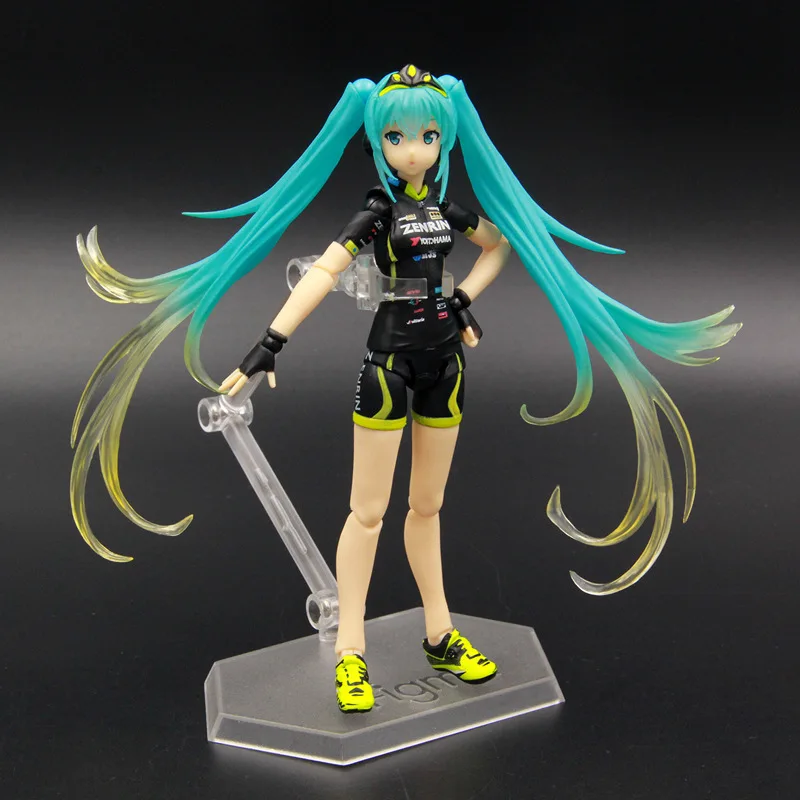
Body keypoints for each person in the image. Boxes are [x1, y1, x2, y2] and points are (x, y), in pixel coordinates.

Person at [71, 65, 740, 713]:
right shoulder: (376, 212)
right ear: (376, 141)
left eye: (427, 136)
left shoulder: (447, 210)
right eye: (396, 136)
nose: (413, 149)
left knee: (428, 507)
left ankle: (439, 632)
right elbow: (322, 273)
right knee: (367, 512)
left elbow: (500, 246)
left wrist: (462, 301)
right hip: (388, 366)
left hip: (445, 366)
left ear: (444, 141)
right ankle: (352, 648)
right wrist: (269, 343)